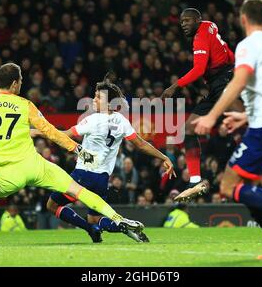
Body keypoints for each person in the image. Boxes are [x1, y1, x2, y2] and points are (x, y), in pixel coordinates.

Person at [0, 62, 143, 245]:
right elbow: (49, 131)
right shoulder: (26, 105)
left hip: (7, 175)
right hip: (36, 165)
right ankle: (117, 218)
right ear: (14, 84)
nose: (21, 84)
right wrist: (75, 148)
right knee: (78, 190)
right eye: (20, 80)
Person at [179, 0, 262, 259]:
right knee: (250, 192)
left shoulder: (248, 45)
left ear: (242, 19)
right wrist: (246, 118)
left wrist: (211, 116)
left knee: (229, 186)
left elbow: (237, 83)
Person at [33, 74, 176, 243]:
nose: (94, 99)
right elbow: (141, 144)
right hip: (102, 179)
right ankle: (124, 226)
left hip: (83, 174)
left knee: (52, 205)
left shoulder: (93, 120)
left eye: (98, 97)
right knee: (95, 219)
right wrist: (163, 156)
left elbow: (64, 135)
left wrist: (36, 132)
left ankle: (90, 229)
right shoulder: (121, 121)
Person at [161, 8, 237, 189]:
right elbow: (226, 54)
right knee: (188, 130)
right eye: (181, 22)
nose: (184, 25)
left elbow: (198, 70)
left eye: (187, 21)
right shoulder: (210, 26)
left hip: (225, 81)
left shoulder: (200, 37)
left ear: (197, 20)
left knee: (245, 118)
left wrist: (174, 86)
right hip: (221, 81)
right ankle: (195, 180)